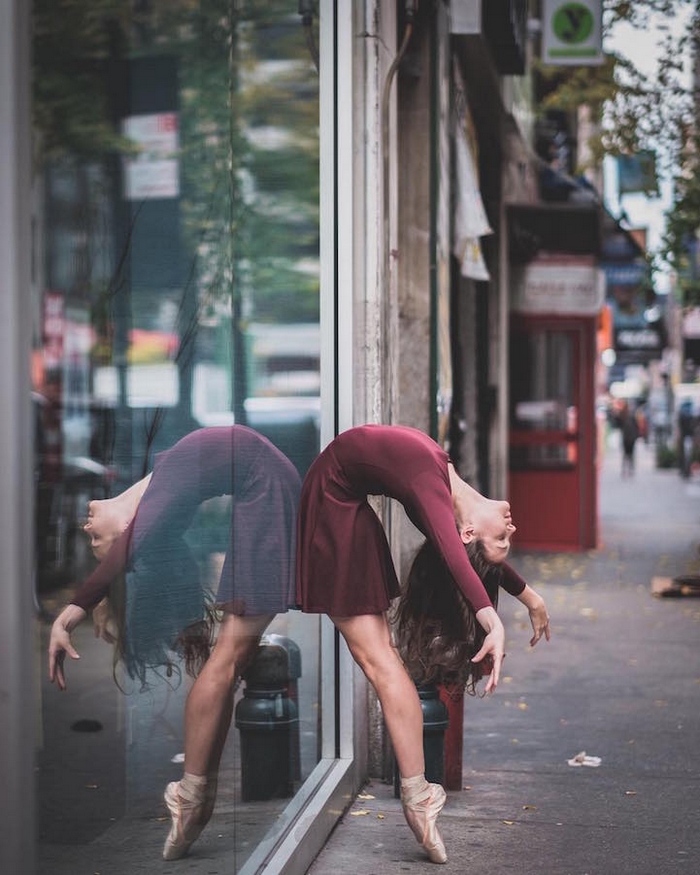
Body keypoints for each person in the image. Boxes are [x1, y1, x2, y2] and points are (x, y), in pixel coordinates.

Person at [295, 424, 550, 865]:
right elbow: (458, 552)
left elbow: (457, 555)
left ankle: (417, 796)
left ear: (468, 532)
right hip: (337, 507)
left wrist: (492, 619)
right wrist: (527, 597)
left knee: (381, 665)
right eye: (506, 540)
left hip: (335, 510)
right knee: (383, 663)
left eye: (503, 539)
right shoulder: (438, 491)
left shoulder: (434, 497)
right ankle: (417, 795)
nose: (513, 528)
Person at [48, 426, 301, 861]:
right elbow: (131, 548)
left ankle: (193, 794)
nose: (87, 527)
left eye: (94, 540)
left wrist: (96, 603)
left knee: (227, 662)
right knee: (226, 664)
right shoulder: (160, 497)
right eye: (95, 539)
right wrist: (73, 613)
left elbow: (129, 551)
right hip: (267, 495)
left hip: (269, 493)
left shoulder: (161, 481)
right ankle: (196, 794)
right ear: (133, 526)